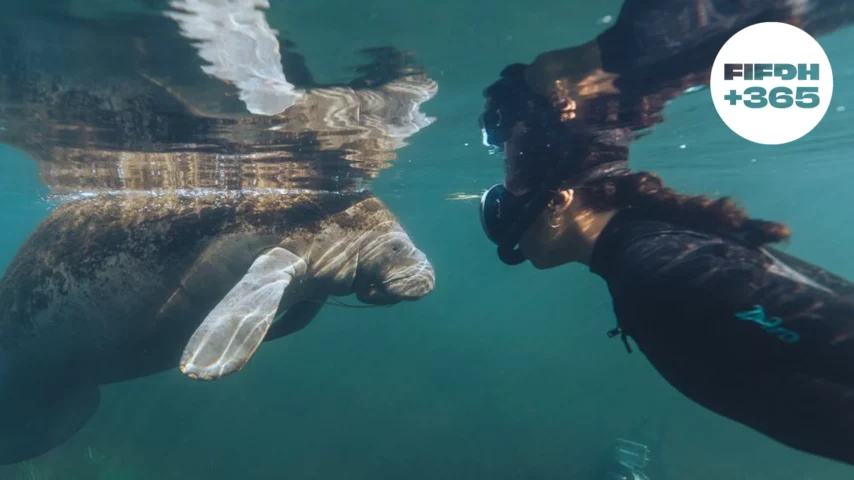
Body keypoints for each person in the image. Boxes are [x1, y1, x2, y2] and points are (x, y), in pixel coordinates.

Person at [477, 0, 854, 468]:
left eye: (507, 187)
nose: (498, 209)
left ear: (559, 201)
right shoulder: (652, 255)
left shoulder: (654, 271)